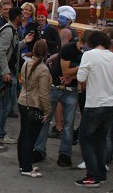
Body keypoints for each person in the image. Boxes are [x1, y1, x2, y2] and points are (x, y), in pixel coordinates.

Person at [75, 31, 113, 187]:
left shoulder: (89, 55)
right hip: (110, 102)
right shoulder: (112, 56)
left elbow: (80, 77)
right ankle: (101, 173)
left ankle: (92, 175)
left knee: (85, 139)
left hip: (95, 103)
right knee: (100, 140)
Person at [34, 30, 83, 167]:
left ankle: (65, 154)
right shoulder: (69, 49)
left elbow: (82, 73)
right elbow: (66, 71)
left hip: (71, 89)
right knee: (45, 119)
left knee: (68, 124)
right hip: (56, 86)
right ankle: (38, 149)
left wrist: (72, 76)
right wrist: (79, 69)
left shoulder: (88, 54)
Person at [0, 7, 26, 144]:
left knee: (3, 103)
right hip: (5, 73)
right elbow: (1, 52)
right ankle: (0, 134)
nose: (23, 17)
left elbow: (13, 48)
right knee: (5, 104)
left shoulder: (11, 30)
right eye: (21, 15)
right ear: (17, 17)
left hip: (8, 71)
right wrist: (5, 71)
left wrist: (24, 42)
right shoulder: (9, 31)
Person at [17, 39, 52, 178]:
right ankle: (26, 167)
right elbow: (43, 93)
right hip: (34, 104)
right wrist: (47, 110)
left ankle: (23, 164)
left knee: (23, 135)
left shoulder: (27, 63)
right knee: (30, 138)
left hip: (23, 101)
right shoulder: (43, 69)